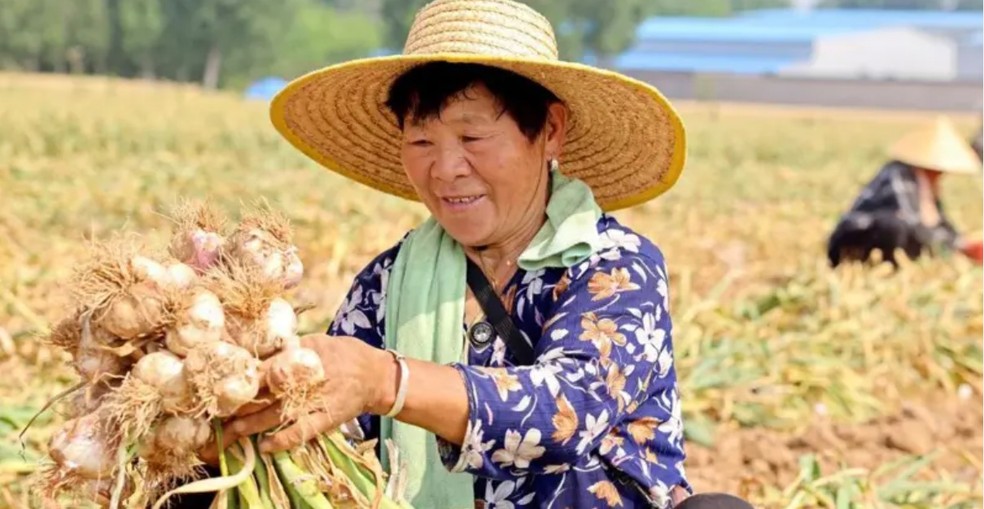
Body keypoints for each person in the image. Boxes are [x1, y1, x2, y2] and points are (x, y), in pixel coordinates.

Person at [205, 1, 754, 508]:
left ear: (551, 131)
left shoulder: (617, 266)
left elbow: (567, 410)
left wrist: (388, 381)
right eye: (422, 142)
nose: (446, 170)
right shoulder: (389, 282)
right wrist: (241, 416)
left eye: (472, 139)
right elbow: (339, 431)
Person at [827, 116, 983, 268]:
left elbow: (938, 222)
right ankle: (879, 264)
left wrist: (962, 245)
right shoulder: (899, 174)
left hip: (890, 232)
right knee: (896, 226)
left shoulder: (926, 184)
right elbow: (915, 224)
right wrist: (950, 248)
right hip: (854, 236)